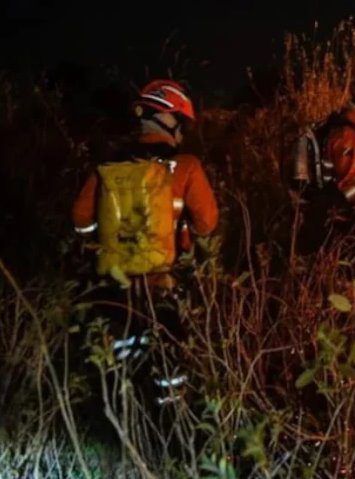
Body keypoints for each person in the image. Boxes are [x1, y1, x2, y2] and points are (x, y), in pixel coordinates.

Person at [72, 79, 218, 406]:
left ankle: (120, 422)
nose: (182, 132)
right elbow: (208, 224)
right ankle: (171, 430)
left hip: (116, 286)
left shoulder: (107, 167)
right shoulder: (187, 167)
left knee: (119, 367)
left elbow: (80, 222)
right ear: (169, 120)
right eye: (181, 123)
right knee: (170, 366)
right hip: (164, 284)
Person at [286, 72, 355, 254]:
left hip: (348, 201)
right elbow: (346, 182)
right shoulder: (346, 133)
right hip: (338, 206)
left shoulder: (349, 125)